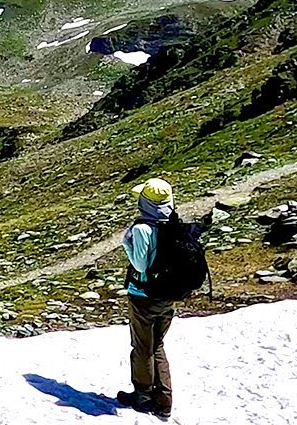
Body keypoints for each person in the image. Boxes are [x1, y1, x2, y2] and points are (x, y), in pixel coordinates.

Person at [117, 177, 175, 419]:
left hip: (143, 296)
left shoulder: (142, 228)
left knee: (142, 347)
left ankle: (142, 395)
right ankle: (164, 400)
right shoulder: (173, 223)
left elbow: (140, 265)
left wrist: (126, 243)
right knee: (157, 345)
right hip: (168, 295)